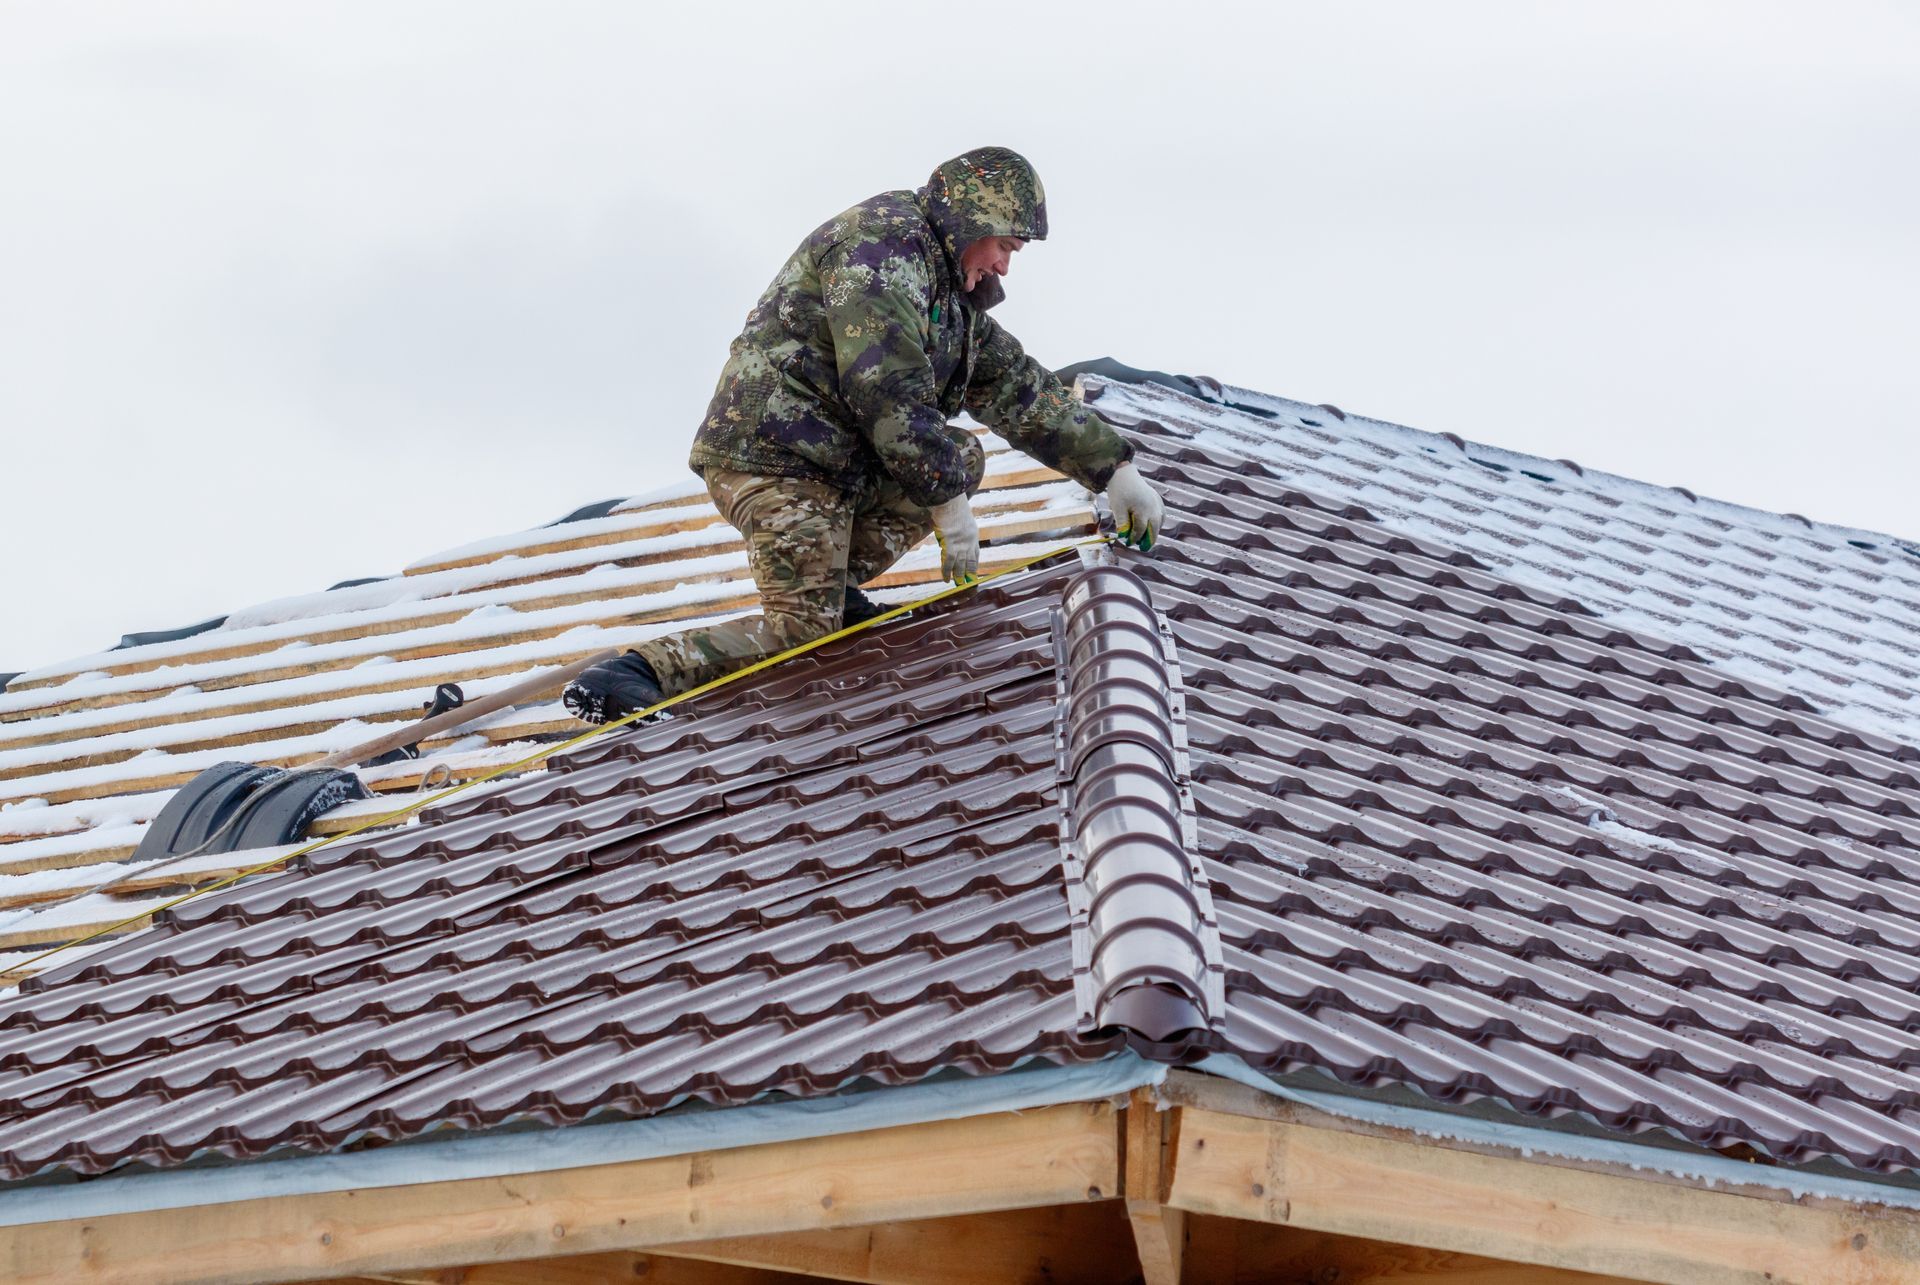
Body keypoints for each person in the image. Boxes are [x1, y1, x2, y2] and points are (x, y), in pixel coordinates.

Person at [563, 146, 1164, 724]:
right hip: (775, 458)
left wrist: (1115, 470)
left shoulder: (951, 297)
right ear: (968, 222)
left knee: (962, 456)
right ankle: (634, 673)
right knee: (804, 635)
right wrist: (947, 506)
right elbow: (888, 389)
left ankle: (833, 583)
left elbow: (1017, 388)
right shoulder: (880, 249)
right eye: (1004, 245)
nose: (1005, 265)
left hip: (837, 467)